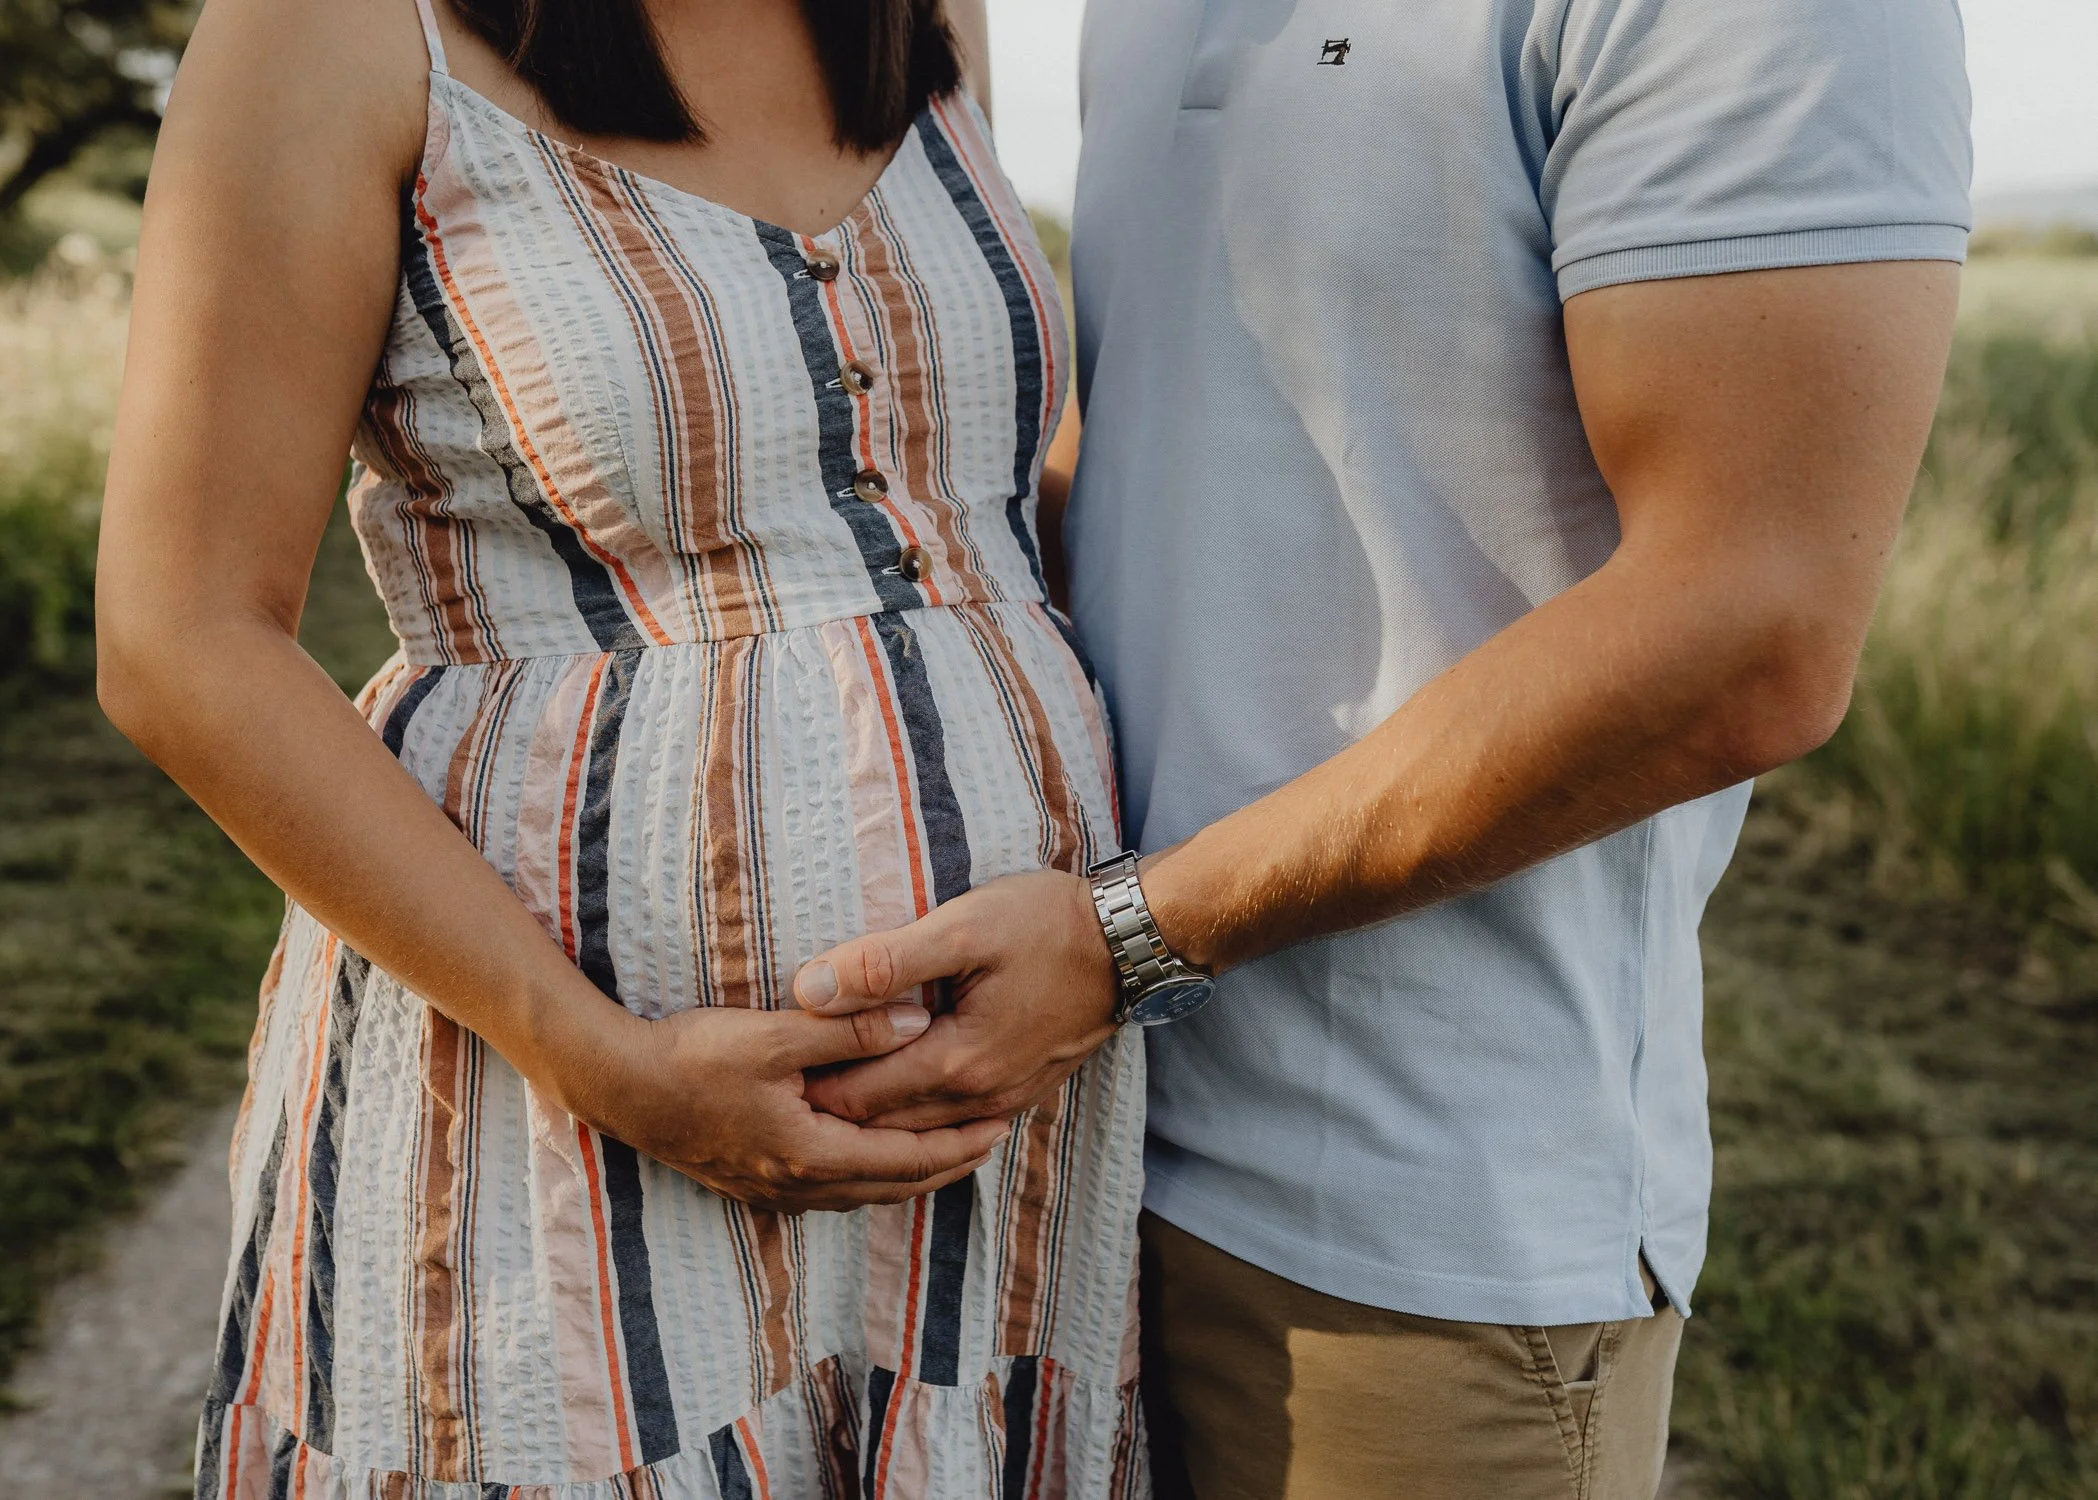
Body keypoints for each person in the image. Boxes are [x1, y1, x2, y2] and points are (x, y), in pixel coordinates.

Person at [792, 0, 1974, 1494]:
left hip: (1406, 1233)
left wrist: (1123, 944)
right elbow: (1150, 431)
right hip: (1040, 1144)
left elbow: (1750, 631)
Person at [94, 0, 1146, 1493]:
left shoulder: (923, 13)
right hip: (569, 1091)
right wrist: (600, 1060)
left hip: (997, 1103)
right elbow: (179, 638)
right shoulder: (328, 31)